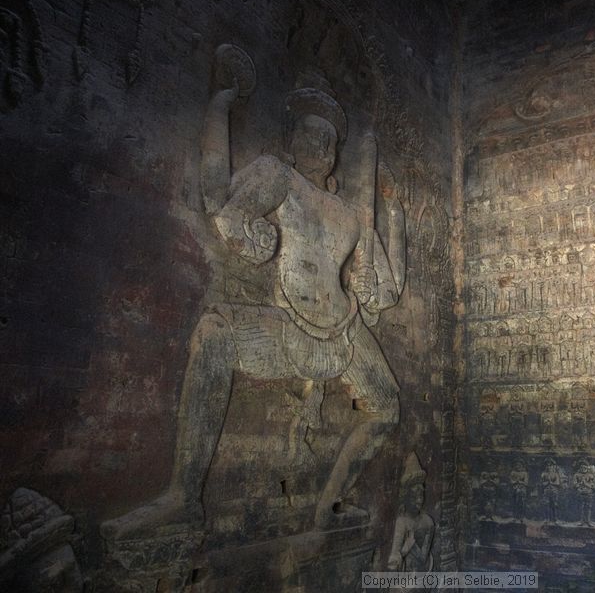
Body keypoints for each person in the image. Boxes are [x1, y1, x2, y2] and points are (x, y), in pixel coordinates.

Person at [102, 68, 405, 539]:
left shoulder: (351, 214)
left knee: (387, 406)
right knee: (214, 336)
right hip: (286, 319)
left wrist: (371, 289)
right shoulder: (277, 176)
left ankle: (327, 505)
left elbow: (385, 290)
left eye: (328, 140)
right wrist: (250, 236)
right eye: (310, 135)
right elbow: (226, 210)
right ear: (291, 140)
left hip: (343, 327)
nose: (321, 148)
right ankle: (184, 496)